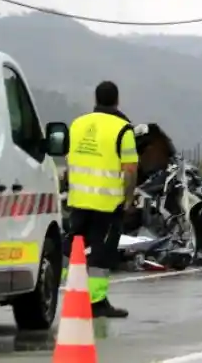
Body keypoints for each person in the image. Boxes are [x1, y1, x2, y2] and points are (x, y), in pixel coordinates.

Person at [63, 80, 142, 318]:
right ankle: (96, 302)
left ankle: (73, 294)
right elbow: (129, 169)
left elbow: (69, 162)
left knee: (76, 249)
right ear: (117, 100)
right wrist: (128, 200)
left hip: (78, 200)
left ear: (95, 100)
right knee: (101, 253)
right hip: (107, 204)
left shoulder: (77, 124)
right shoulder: (123, 129)